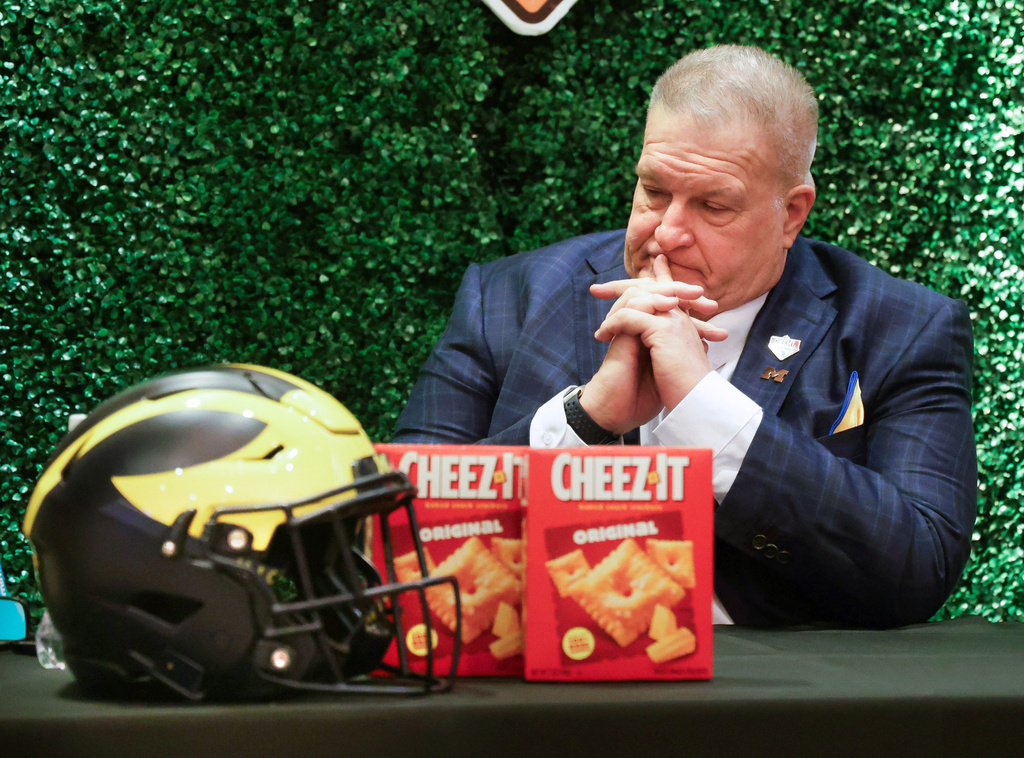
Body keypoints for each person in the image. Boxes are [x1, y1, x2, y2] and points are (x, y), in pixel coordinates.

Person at [393, 45, 977, 629]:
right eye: (654, 191)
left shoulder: (901, 328)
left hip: (771, 703)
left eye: (713, 205)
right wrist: (585, 420)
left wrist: (706, 409)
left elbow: (917, 569)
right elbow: (397, 543)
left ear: (791, 215)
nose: (667, 233)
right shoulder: (507, 298)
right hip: (533, 696)